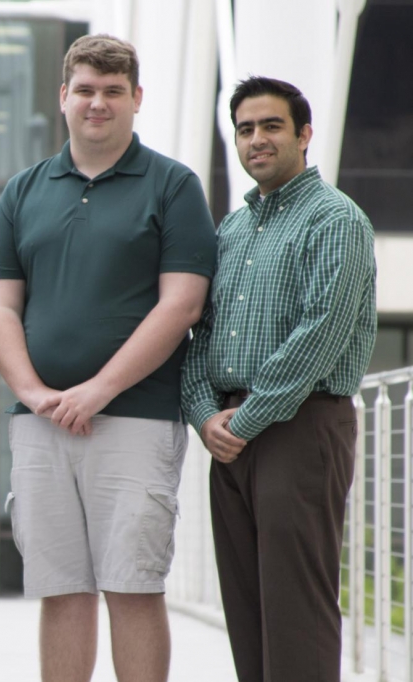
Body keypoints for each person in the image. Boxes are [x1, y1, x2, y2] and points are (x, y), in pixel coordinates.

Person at [0, 34, 217, 682]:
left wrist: (97, 390)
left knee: (133, 585)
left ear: (136, 98)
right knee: (60, 590)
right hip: (39, 423)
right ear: (63, 97)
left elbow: (182, 305)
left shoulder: (173, 185)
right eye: (85, 89)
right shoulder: (25, 190)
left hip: (136, 418)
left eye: (113, 91)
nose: (98, 103)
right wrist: (32, 392)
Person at [181, 76, 376, 682]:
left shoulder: (336, 218)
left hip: (301, 425)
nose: (257, 139)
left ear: (304, 135)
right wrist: (202, 413)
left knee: (297, 611)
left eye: (271, 126)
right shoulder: (231, 231)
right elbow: (197, 332)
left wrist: (246, 417)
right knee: (247, 609)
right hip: (230, 435)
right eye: (245, 129)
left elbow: (322, 331)